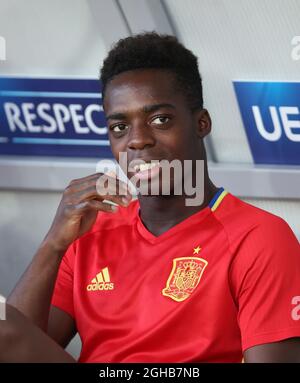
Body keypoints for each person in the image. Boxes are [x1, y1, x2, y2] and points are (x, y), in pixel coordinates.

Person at [1, 32, 300, 363]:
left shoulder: (259, 237)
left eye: (160, 120)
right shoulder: (90, 232)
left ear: (201, 123)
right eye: (120, 127)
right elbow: (13, 345)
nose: (137, 141)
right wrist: (53, 243)